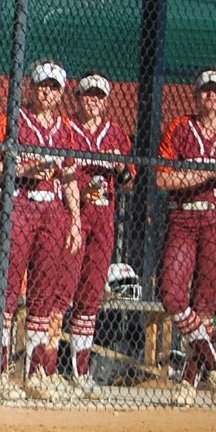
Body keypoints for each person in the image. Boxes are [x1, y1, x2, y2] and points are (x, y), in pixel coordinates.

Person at [0, 61, 82, 401]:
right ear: (30, 87)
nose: (48, 92)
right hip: (22, 203)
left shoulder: (65, 129)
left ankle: (34, 373)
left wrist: (74, 217)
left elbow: (70, 175)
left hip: (53, 210)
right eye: (43, 85)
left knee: (44, 293)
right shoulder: (13, 118)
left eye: (54, 87)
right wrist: (28, 167)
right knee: (8, 289)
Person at [153, 68, 216, 407]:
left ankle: (189, 382)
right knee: (172, 293)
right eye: (205, 90)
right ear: (195, 95)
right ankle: (215, 366)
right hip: (185, 218)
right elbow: (162, 179)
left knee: (204, 304)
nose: (211, 96)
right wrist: (200, 175)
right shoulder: (181, 128)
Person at [65, 72, 133, 398]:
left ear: (106, 101)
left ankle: (81, 371)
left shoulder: (115, 133)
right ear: (77, 98)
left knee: (91, 294)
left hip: (103, 219)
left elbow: (129, 180)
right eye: (87, 95)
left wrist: (119, 166)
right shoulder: (68, 128)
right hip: (72, 217)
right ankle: (44, 367)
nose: (93, 101)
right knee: (62, 290)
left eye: (99, 96)